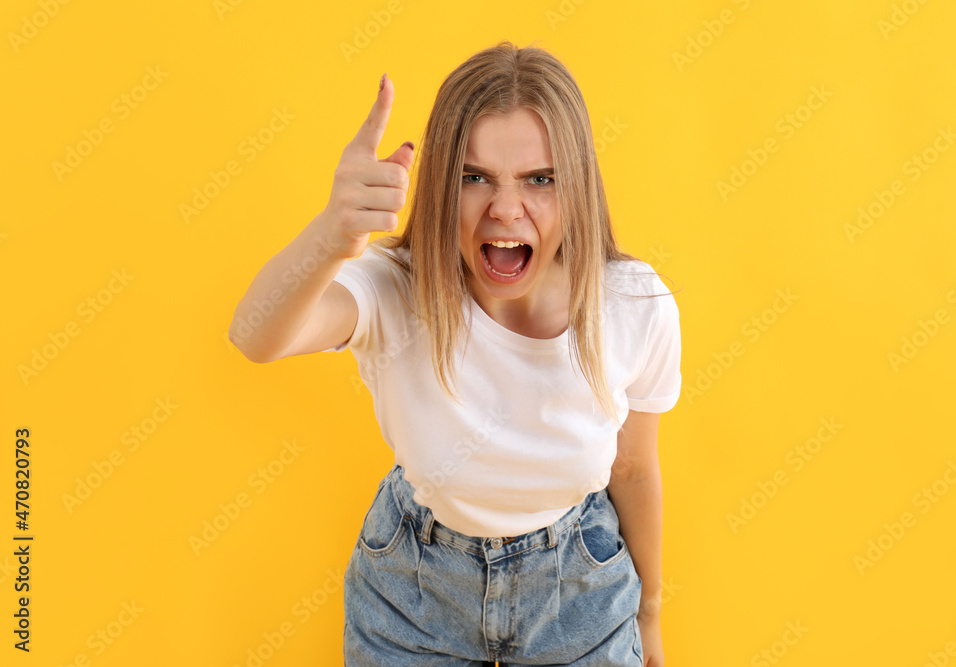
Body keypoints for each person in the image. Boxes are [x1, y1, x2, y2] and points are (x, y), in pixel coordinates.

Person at [229, 41, 681, 667]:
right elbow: (255, 335)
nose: (504, 207)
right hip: (413, 591)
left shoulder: (634, 305)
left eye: (539, 179)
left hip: (577, 587)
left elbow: (632, 469)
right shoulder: (395, 286)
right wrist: (333, 235)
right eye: (475, 178)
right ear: (442, 185)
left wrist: (650, 615)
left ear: (576, 185)